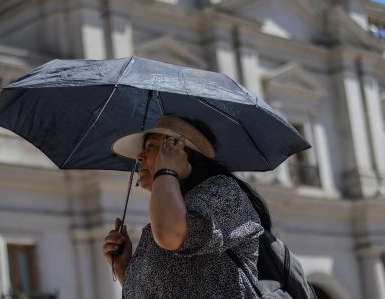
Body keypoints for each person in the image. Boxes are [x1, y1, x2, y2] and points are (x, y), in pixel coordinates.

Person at [102, 114, 272, 298]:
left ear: (183, 153)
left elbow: (171, 234)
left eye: (151, 146)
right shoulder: (158, 227)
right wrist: (124, 268)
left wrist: (166, 170)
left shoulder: (222, 192)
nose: (139, 157)